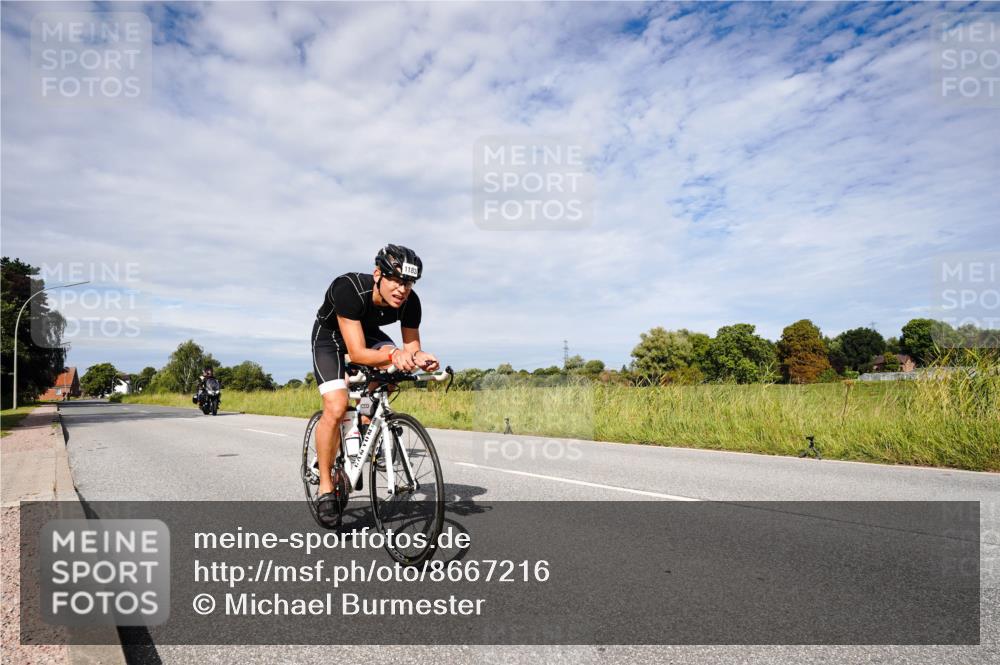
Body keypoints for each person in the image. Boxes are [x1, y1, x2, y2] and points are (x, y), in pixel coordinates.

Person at [311, 244, 439, 521]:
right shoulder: (349, 288)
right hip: (331, 338)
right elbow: (356, 352)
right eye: (395, 279)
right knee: (336, 405)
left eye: (408, 282)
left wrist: (420, 358)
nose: (402, 289)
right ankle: (325, 486)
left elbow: (411, 349)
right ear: (378, 274)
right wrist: (394, 354)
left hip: (367, 334)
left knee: (394, 372)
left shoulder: (411, 302)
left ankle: (368, 427)